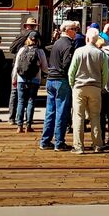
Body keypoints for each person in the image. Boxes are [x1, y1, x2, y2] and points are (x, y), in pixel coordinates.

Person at [68, 28, 109, 154]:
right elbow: (105, 73)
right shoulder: (101, 54)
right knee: (95, 116)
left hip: (79, 87)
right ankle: (97, 144)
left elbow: (72, 72)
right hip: (95, 87)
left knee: (78, 117)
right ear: (97, 40)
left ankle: (79, 146)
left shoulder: (78, 52)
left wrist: (72, 85)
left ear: (86, 38)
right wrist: (102, 86)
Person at [40, 20, 78, 151]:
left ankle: (45, 141)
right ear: (67, 30)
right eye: (74, 29)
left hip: (51, 79)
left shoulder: (56, 43)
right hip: (61, 80)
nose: (76, 31)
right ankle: (59, 142)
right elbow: (67, 64)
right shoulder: (69, 45)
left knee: (50, 111)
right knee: (62, 111)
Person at [14, 33, 48, 133]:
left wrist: (14, 78)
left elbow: (16, 66)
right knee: (31, 101)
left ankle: (19, 126)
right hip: (34, 79)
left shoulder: (21, 50)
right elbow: (44, 67)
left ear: (28, 39)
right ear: (37, 40)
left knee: (20, 102)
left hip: (21, 79)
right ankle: (28, 126)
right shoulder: (40, 51)